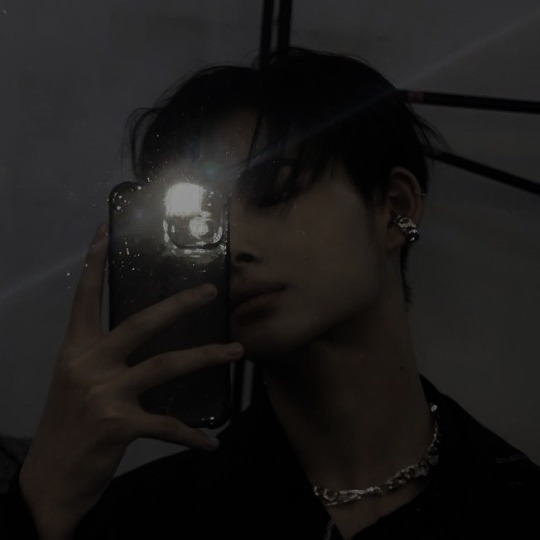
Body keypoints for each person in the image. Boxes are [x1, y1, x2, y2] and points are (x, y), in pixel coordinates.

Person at [1, 46, 539, 540]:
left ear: (395, 207)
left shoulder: (513, 502)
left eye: (273, 192)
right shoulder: (147, 519)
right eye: (201, 224)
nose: (233, 246)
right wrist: (44, 495)